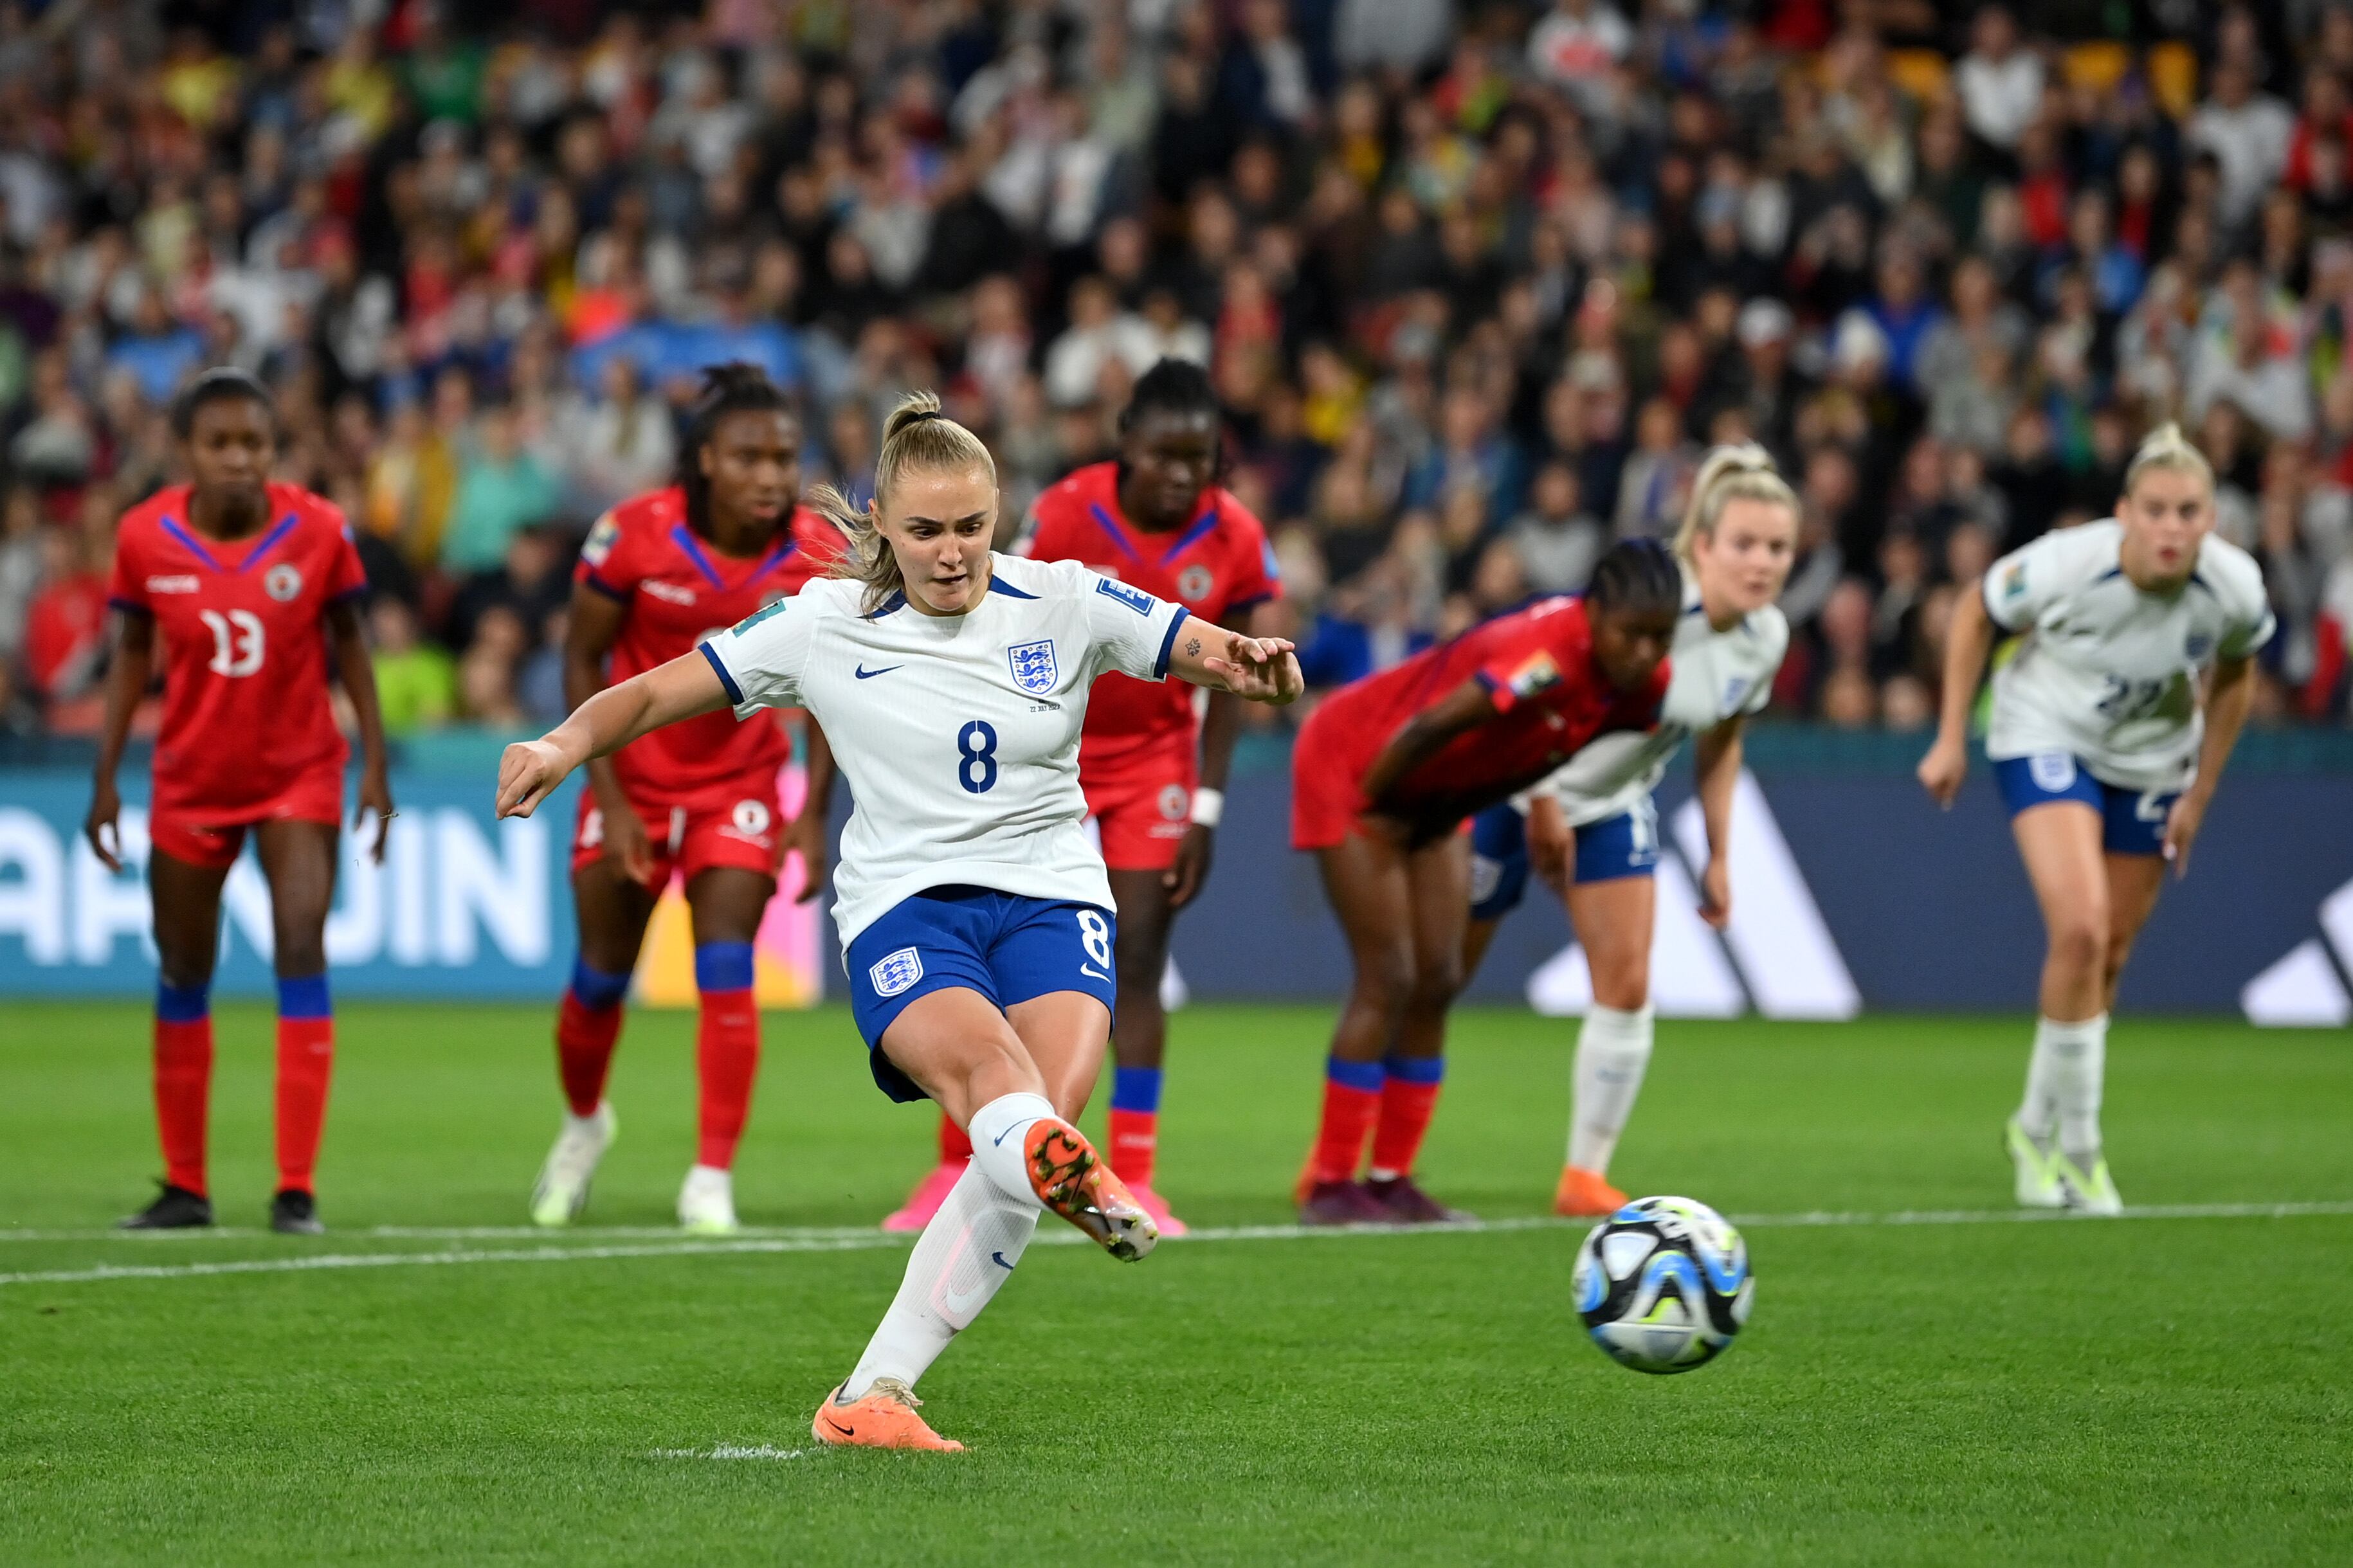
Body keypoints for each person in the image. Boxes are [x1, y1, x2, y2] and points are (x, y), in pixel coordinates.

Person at [494, 392, 1301, 1451]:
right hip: (906, 907)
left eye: (971, 525)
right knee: (1000, 1095)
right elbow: (651, 693)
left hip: (1054, 896)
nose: (951, 551)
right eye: (923, 530)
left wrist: (1249, 659)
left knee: (1029, 1137)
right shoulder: (821, 621)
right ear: (879, 521)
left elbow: (1198, 645)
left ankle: (871, 1394)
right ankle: (993, 1239)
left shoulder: (1062, 597)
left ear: (999, 511)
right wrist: (559, 745)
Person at [883, 359, 1282, 1238]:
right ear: (1127, 442)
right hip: (1042, 754)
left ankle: (1133, 1170)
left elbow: (1232, 680)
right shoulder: (1066, 509)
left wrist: (1207, 808)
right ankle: (954, 1167)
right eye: (1164, 453)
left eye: (1197, 457)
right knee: (987, 960)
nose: (1179, 472)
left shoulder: (1237, 537)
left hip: (1153, 768)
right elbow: (994, 615)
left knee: (1136, 958)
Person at [1919, 424, 2271, 1216]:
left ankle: (2029, 1129)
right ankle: (2079, 1152)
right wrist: (1948, 736)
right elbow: (1974, 610)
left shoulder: (2234, 588)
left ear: (2210, 518)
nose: (2170, 528)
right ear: (2124, 513)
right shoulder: (2066, 562)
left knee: (2105, 956)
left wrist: (2198, 794)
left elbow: (2235, 674)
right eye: (2155, 510)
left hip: (2150, 760)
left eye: (2188, 511)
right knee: (2078, 928)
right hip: (2042, 731)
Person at [529, 363, 843, 1236]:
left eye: (784, 457)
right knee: (598, 980)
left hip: (737, 785)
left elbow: (833, 683)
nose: (771, 476)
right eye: (749, 457)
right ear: (705, 458)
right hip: (631, 782)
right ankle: (584, 1123)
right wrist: (609, 798)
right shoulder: (631, 535)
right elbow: (581, 658)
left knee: (726, 969)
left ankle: (710, 1176)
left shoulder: (817, 550)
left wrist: (812, 811)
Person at [1290, 539, 1681, 1226]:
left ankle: (1392, 1180)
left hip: (1443, 793)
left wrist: (1514, 803)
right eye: (1631, 634)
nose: (1645, 653)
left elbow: (1555, 749)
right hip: (1360, 765)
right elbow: (1431, 726)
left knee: (1438, 978)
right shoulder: (1542, 656)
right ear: (1593, 613)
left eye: (1660, 637)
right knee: (1389, 977)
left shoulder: (1644, 686)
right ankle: (1329, 1183)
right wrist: (1385, 813)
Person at [87, 368, 394, 1235]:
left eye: (253, 442)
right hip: (191, 779)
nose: (238, 458)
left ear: (273, 448)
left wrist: (374, 764)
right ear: (185, 450)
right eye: (219, 443)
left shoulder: (319, 528)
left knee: (300, 944)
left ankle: (295, 1189)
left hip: (299, 773)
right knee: (184, 967)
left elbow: (352, 643)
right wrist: (106, 775)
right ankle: (185, 1187)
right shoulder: (144, 536)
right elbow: (131, 651)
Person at [1458, 446, 1797, 1217]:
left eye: (1778, 548)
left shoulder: (1764, 638)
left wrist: (1718, 851)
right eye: (1744, 544)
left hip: (1611, 802)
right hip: (1511, 784)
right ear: (1702, 545)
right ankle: (1364, 1166)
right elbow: (1545, 685)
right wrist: (1543, 798)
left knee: (1627, 984)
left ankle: (1584, 1176)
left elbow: (1720, 740)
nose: (1762, 563)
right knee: (1440, 976)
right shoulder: (1652, 609)